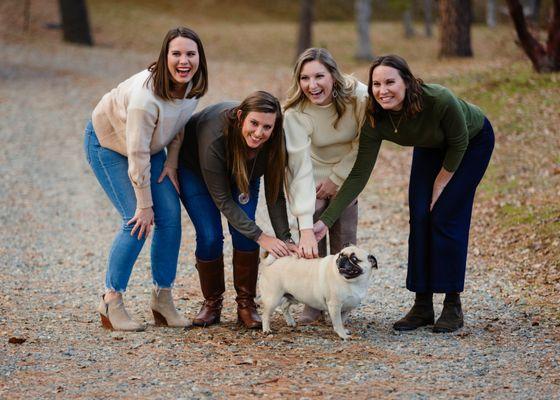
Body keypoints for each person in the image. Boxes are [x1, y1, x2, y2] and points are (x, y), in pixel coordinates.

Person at [314, 54, 494, 333]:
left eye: (390, 82)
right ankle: (422, 305)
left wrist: (440, 184)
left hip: (471, 143)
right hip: (431, 145)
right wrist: (325, 220)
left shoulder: (438, 99)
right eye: (376, 84)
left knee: (445, 216)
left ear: (407, 82)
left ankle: (451, 304)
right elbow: (360, 174)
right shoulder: (376, 118)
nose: (382, 90)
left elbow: (458, 142)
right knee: (419, 217)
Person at [84, 27, 208, 331]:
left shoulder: (190, 86)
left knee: (170, 217)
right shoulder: (145, 98)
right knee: (136, 220)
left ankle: (162, 300)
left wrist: (172, 163)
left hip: (149, 147)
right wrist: (143, 204)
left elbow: (179, 124)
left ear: (199, 58)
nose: (183, 61)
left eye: (190, 54)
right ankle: (110, 300)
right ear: (164, 57)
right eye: (176, 54)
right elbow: (136, 153)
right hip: (110, 143)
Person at [178, 91, 298, 329]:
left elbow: (275, 194)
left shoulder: (275, 140)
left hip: (245, 172)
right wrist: (262, 236)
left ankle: (246, 303)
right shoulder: (214, 136)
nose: (259, 133)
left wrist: (285, 237)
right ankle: (212, 303)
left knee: (244, 231)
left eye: (267, 127)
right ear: (241, 116)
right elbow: (222, 200)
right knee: (210, 236)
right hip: (197, 171)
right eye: (254, 123)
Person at [283, 48, 369, 323]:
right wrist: (305, 229)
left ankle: (342, 296)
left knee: (344, 228)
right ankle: (313, 300)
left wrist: (337, 178)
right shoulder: (295, 112)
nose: (312, 85)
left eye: (319, 76)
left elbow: (365, 145)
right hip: (311, 174)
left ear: (333, 74)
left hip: (348, 171)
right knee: (313, 226)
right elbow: (298, 166)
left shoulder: (360, 96)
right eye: (305, 78)